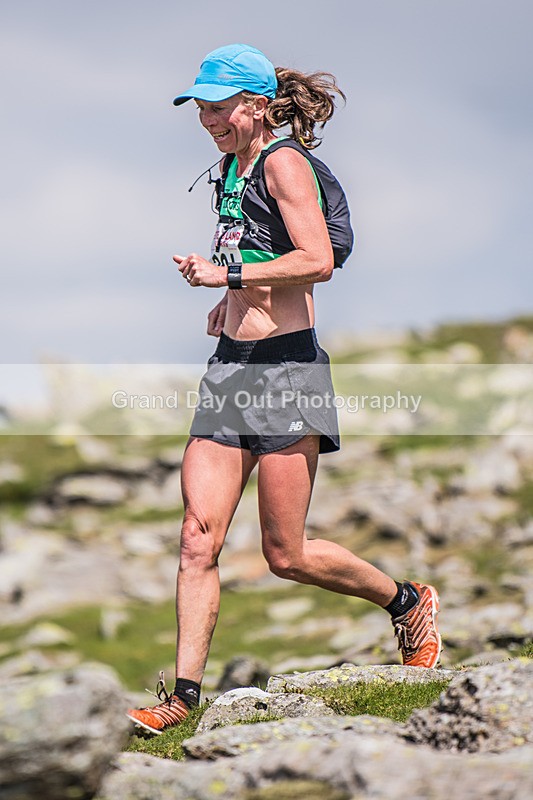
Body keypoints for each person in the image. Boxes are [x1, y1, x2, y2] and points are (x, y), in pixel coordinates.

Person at [127, 44, 441, 735]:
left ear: (256, 105)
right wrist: (226, 300)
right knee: (195, 538)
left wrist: (228, 279)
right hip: (229, 365)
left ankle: (406, 600)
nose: (207, 117)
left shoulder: (284, 162)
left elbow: (318, 260)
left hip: (286, 369)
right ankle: (182, 697)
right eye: (200, 107)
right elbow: (256, 253)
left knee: (284, 554)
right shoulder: (230, 170)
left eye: (218, 106)